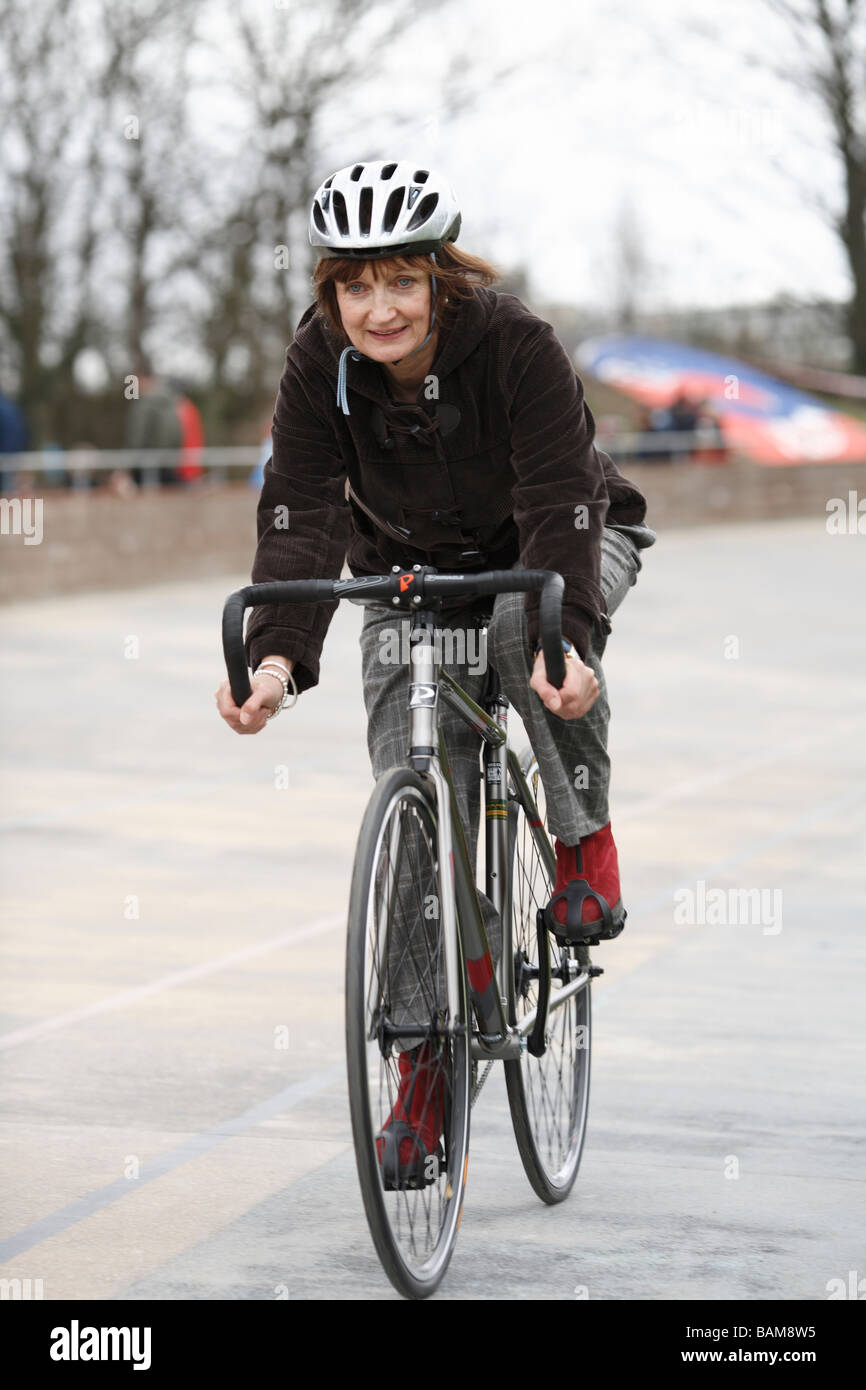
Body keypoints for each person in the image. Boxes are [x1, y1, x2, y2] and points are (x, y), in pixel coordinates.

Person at [214, 158, 657, 1183]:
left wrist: (568, 642)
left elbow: (557, 500)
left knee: (522, 630)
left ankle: (583, 838)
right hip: (407, 581)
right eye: (355, 286)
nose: (379, 308)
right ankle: (423, 1072)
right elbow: (299, 506)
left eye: (400, 281)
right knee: (415, 788)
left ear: (439, 278)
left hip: (565, 548)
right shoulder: (317, 364)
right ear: (329, 291)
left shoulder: (514, 346)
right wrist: (275, 658)